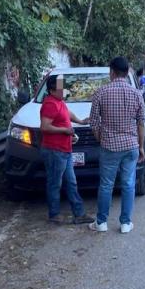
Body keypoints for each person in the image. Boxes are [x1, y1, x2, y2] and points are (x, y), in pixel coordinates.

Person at [88, 57, 145, 233]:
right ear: (128, 72)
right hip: (130, 147)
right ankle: (126, 223)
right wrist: (141, 146)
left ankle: (101, 222)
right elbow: (141, 123)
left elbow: (93, 122)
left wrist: (100, 138)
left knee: (106, 184)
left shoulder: (101, 92)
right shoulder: (136, 94)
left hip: (109, 147)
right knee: (128, 184)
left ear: (112, 72)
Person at [39, 75, 94, 225]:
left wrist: (80, 121)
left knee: (71, 182)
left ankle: (79, 213)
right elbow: (44, 127)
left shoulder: (59, 101)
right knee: (55, 183)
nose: (64, 90)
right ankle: (54, 214)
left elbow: (67, 114)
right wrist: (65, 130)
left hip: (64, 149)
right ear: (51, 90)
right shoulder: (50, 104)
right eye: (60, 88)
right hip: (54, 150)